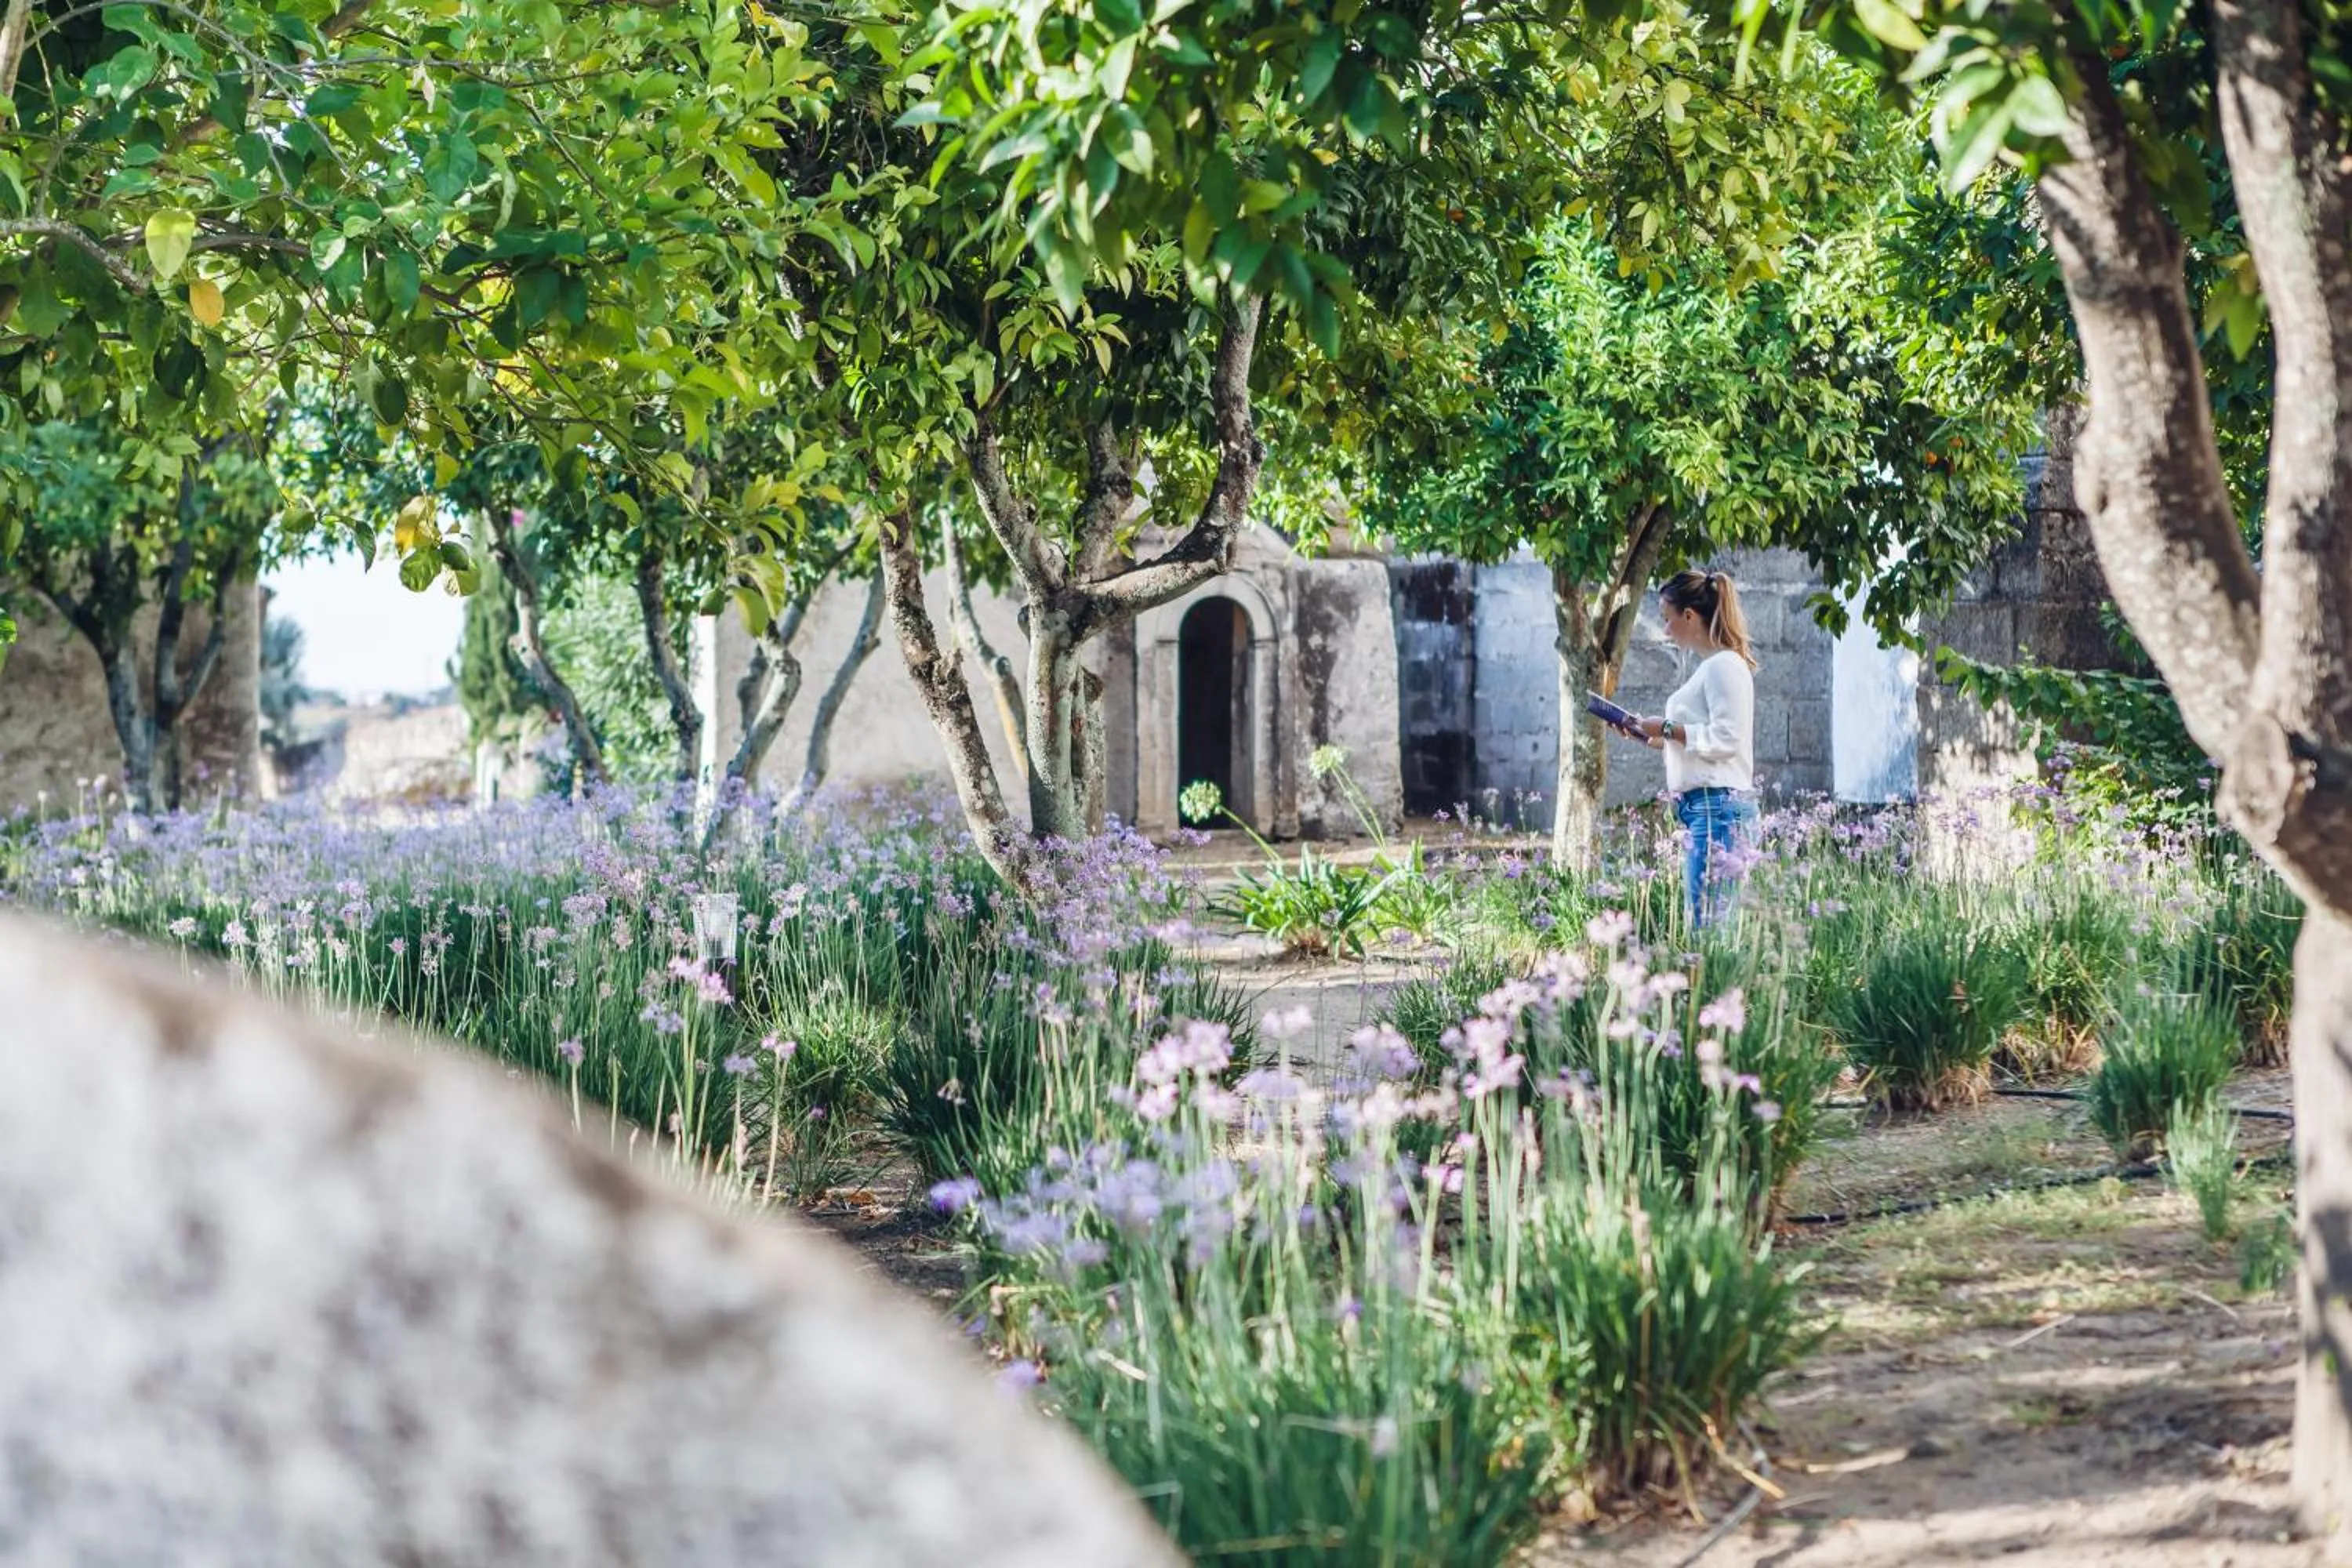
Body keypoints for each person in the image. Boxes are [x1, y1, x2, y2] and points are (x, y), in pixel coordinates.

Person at [1633, 569, 1759, 930]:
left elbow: (1726, 739)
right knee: (1706, 925)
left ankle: (1713, 989)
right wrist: (1646, 734)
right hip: (1704, 808)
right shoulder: (1711, 668)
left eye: (1667, 619)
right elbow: (1697, 742)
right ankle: (1708, 988)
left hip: (1717, 807)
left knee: (1710, 930)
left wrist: (1668, 727)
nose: (1666, 629)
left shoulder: (1724, 666)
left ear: (1689, 615)